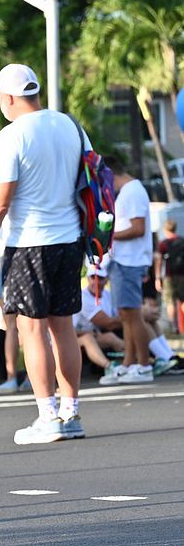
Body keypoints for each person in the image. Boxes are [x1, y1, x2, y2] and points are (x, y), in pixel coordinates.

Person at [0, 63, 86, 445]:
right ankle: (71, 412)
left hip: (29, 242)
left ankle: (47, 415)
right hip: (70, 239)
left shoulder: (12, 136)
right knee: (63, 326)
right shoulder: (71, 126)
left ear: (8, 97)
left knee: (31, 327)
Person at [106, 155, 155, 384]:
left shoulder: (133, 191)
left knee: (133, 315)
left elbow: (138, 228)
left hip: (131, 261)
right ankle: (130, 363)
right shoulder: (128, 191)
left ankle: (143, 365)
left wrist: (109, 237)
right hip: (124, 261)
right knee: (126, 315)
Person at [76, 264, 125, 379]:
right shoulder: (83, 297)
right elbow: (108, 323)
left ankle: (141, 360)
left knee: (110, 336)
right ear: (88, 279)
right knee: (88, 338)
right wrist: (136, 317)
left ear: (106, 280)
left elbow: (117, 318)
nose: (96, 282)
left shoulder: (108, 295)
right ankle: (110, 367)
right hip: (73, 338)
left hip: (93, 334)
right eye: (93, 278)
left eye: (100, 279)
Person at [156, 219, 184, 333]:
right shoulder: (182, 241)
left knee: (170, 302)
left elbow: (158, 260)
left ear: (165, 229)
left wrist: (158, 278)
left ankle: (174, 326)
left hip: (169, 276)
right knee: (183, 300)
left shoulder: (163, 244)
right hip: (182, 275)